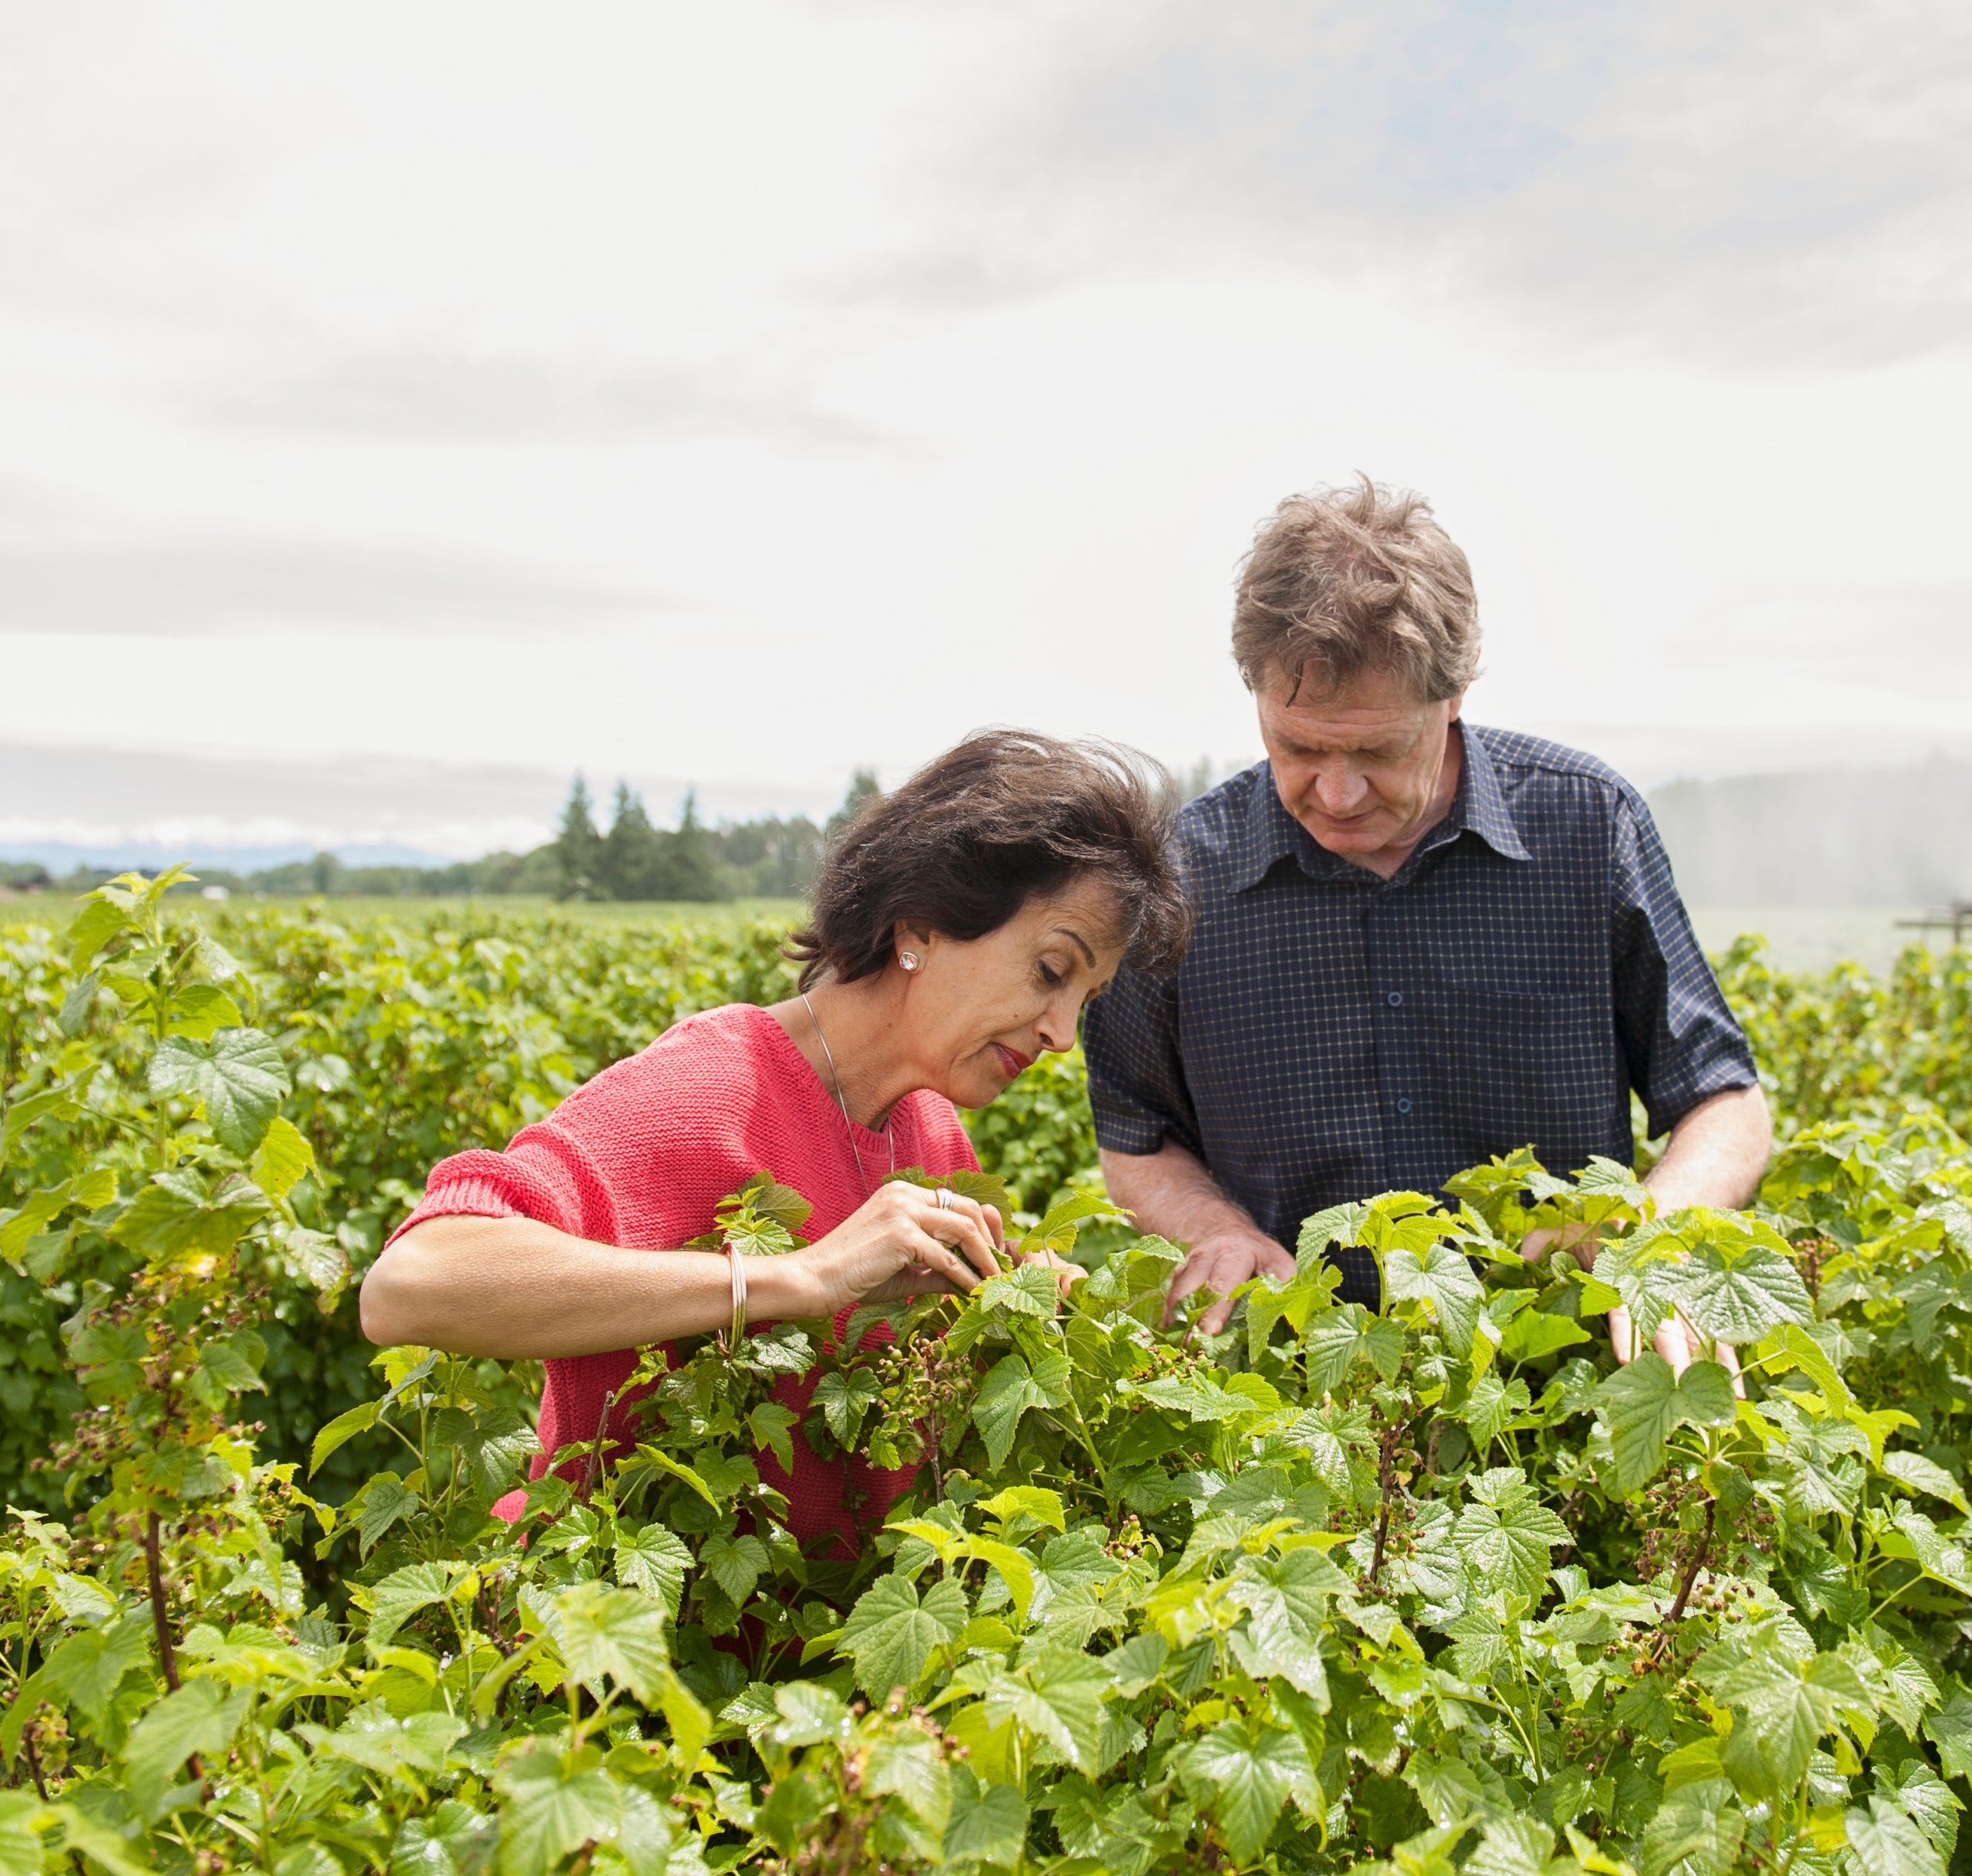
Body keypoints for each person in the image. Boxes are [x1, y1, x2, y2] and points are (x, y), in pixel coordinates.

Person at [356, 732, 1188, 1559]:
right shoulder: (712, 1089)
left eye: (1087, 998)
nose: (1060, 1034)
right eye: (1050, 970)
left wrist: (1022, 1319)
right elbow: (412, 1283)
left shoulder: (929, 1133)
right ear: (924, 920)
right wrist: (797, 1277)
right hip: (602, 1662)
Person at [1084, 479, 1773, 1368]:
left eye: (1376, 751)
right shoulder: (1180, 878)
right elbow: (1140, 1141)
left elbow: (1723, 1099)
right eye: (1297, 747)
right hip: (1294, 1395)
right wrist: (1215, 1230)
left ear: (1451, 699)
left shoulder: (1584, 825)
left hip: (1551, 1376)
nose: (1335, 792)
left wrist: (1652, 1228)